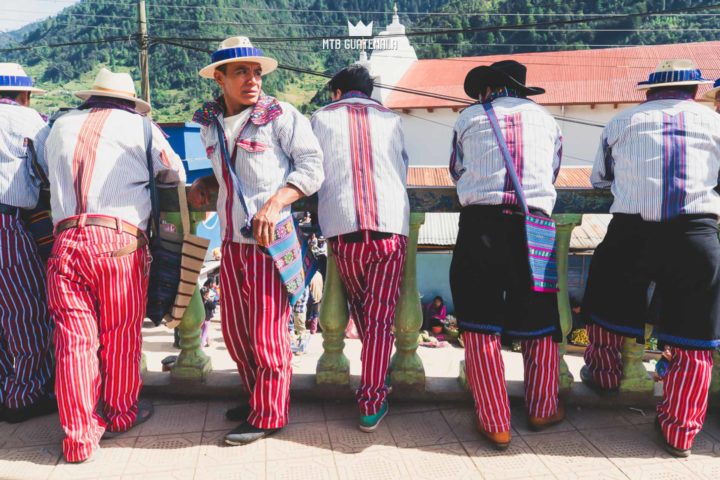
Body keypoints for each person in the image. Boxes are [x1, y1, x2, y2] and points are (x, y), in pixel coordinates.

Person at [42, 68, 185, 463]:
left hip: (66, 240)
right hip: (119, 242)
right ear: (128, 101)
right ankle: (120, 414)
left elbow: (41, 168)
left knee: (73, 342)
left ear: (91, 97)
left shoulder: (57, 125)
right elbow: (175, 173)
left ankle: (78, 439)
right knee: (120, 334)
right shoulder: (141, 127)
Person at [188, 36, 324, 445]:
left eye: (257, 72)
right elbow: (229, 172)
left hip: (270, 243)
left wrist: (276, 203)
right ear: (220, 78)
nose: (252, 80)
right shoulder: (209, 124)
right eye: (241, 72)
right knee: (233, 331)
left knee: (266, 333)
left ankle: (269, 413)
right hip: (231, 242)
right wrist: (206, 180)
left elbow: (312, 167)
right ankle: (255, 397)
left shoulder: (281, 116)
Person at [582, 59, 720, 458]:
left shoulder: (620, 123)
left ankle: (605, 377)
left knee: (605, 304)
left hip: (632, 233)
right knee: (695, 334)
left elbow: (600, 180)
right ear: (694, 91)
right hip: (695, 235)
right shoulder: (714, 123)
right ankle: (680, 432)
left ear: (649, 92)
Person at [449, 60, 564, 449]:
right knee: (540, 317)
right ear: (521, 90)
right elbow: (551, 172)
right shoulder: (547, 121)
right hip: (536, 225)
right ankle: (543, 407)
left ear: (488, 90)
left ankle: (495, 421)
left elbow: (456, 170)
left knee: (479, 320)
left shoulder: (468, 118)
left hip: (481, 226)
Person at [311, 64, 409, 432]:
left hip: (344, 230)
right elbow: (402, 169)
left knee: (365, 313)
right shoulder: (391, 119)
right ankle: (372, 399)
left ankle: (374, 386)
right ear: (368, 93)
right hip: (389, 230)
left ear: (337, 92)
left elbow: (310, 170)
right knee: (380, 316)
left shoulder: (320, 119)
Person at [0, 63, 55, 424]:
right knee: (24, 310)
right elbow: (53, 168)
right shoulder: (28, 120)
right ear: (24, 95)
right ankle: (24, 395)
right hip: (6, 224)